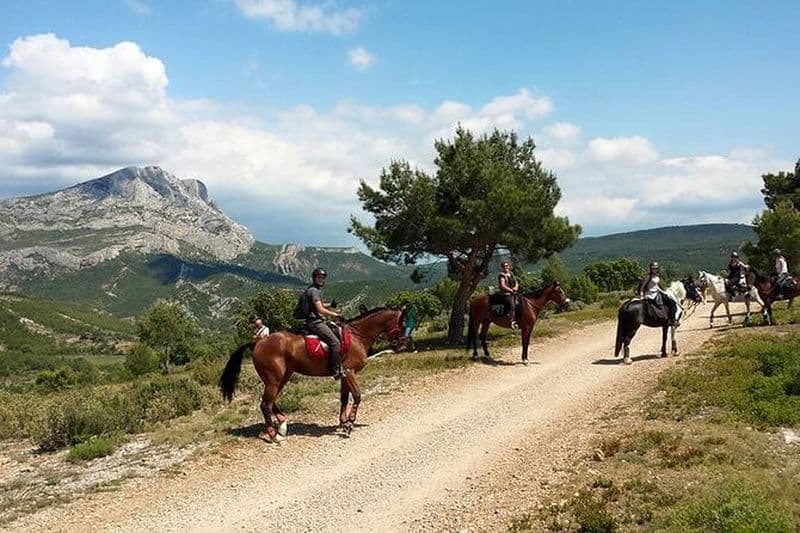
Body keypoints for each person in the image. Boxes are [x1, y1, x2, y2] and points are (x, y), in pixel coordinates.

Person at [302, 267, 345, 379]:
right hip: (314, 322)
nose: (321, 280)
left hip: (312, 320)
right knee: (336, 343)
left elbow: (317, 305)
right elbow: (320, 310)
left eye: (323, 278)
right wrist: (336, 315)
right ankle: (335, 370)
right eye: (319, 278)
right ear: (314, 278)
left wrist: (330, 305)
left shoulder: (311, 289)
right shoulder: (314, 291)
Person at [498, 261, 520, 329]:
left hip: (513, 292)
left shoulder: (511, 274)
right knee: (511, 305)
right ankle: (512, 321)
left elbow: (516, 282)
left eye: (507, 266)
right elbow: (502, 285)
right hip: (506, 294)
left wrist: (516, 287)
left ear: (509, 266)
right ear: (502, 268)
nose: (506, 267)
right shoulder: (502, 275)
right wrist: (511, 290)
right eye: (504, 266)